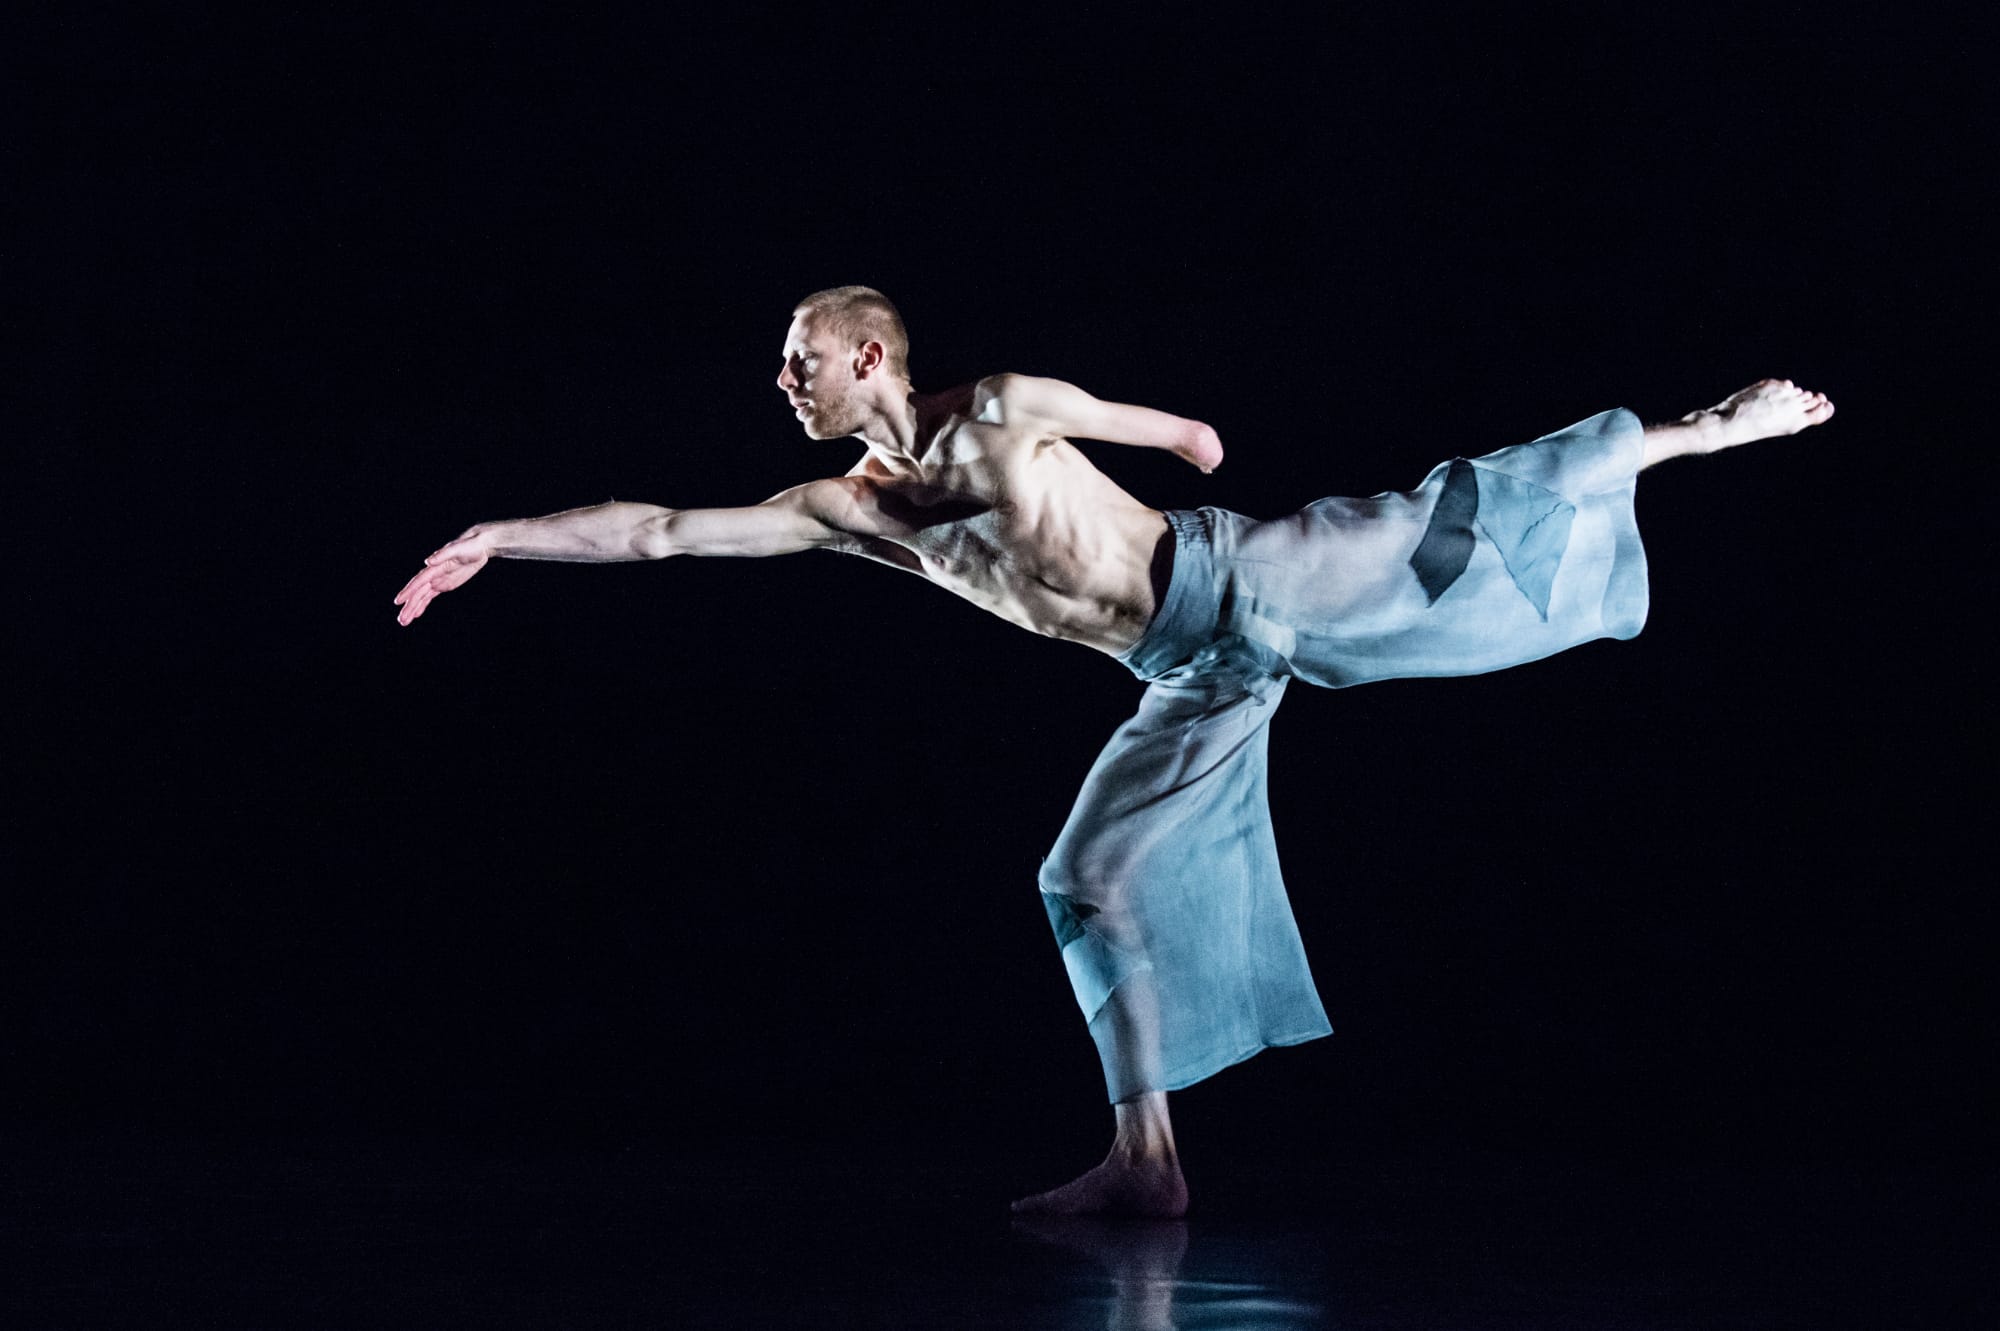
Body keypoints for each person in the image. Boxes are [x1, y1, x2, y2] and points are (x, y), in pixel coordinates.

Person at [395, 286, 1834, 1217]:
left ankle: (1707, 432)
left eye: (801, 361)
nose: (784, 382)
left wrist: (1184, 438)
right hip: (1185, 672)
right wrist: (497, 539)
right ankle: (1147, 1162)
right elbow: (658, 530)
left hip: (1244, 577)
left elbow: (1170, 432)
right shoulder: (846, 509)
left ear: (868, 356)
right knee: (1082, 879)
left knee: (1433, 521)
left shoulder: (1006, 409)